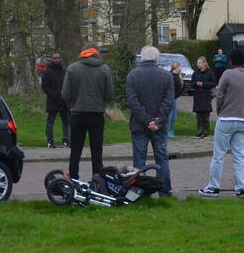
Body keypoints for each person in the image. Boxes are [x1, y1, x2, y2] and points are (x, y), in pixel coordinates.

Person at [199, 49, 244, 197]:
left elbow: (220, 95)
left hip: (226, 119)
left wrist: (219, 111)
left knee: (219, 155)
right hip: (242, 120)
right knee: (239, 155)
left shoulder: (227, 74)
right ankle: (241, 187)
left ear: (231, 61)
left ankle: (213, 186)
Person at [126, 45, 175, 196]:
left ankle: (139, 192)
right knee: (162, 160)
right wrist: (157, 121)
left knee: (139, 160)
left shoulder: (133, 75)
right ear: (156, 58)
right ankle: (165, 192)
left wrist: (147, 121)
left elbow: (132, 102)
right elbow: (168, 102)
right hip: (159, 127)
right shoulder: (167, 76)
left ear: (142, 57)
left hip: (139, 125)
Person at [61, 43, 114, 181]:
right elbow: (109, 95)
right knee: (97, 150)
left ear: (83, 52)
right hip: (96, 114)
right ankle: (97, 179)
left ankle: (73, 178)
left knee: (75, 150)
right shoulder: (104, 69)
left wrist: (72, 105)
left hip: (77, 114)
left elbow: (65, 94)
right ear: (96, 52)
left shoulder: (72, 68)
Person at [41, 53, 69, 149]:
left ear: (60, 59)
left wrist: (65, 95)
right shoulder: (47, 72)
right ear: (52, 59)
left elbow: (68, 85)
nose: (56, 59)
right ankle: (50, 141)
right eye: (54, 58)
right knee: (50, 121)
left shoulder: (65, 71)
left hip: (64, 100)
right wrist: (54, 95)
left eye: (58, 58)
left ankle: (66, 140)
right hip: (52, 100)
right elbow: (44, 87)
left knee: (66, 121)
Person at [190, 56, 216, 138]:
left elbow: (213, 83)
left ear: (204, 63)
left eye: (200, 63)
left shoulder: (210, 72)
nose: (198, 64)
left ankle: (206, 131)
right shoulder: (195, 72)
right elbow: (191, 83)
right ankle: (199, 130)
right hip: (198, 95)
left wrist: (203, 84)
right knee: (199, 115)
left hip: (206, 95)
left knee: (205, 115)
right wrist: (196, 84)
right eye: (197, 63)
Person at [167, 61, 182, 138]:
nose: (181, 68)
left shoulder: (177, 75)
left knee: (173, 114)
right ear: (177, 67)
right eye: (180, 67)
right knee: (172, 114)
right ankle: (170, 130)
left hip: (174, 97)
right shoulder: (172, 76)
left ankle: (170, 130)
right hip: (171, 97)